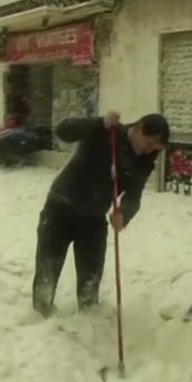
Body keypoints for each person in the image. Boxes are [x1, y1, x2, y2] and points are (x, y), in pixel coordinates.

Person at [32, 111, 170, 317]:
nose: (148, 151)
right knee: (47, 271)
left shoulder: (145, 160)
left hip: (94, 218)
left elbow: (134, 195)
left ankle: (88, 322)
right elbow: (63, 131)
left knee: (91, 276)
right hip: (61, 208)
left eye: (155, 148)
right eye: (149, 144)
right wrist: (98, 123)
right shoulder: (108, 132)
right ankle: (40, 317)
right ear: (139, 129)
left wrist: (124, 213)